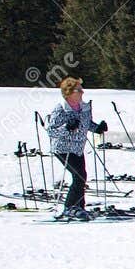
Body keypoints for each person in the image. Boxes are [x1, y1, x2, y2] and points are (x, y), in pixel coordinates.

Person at [46, 76, 106, 219]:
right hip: (63, 148)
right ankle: (69, 207)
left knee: (81, 176)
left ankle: (79, 207)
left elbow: (86, 124)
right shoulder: (61, 109)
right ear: (69, 92)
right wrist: (67, 128)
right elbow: (51, 130)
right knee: (79, 177)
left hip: (78, 148)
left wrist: (97, 128)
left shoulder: (84, 107)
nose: (82, 92)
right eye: (78, 90)